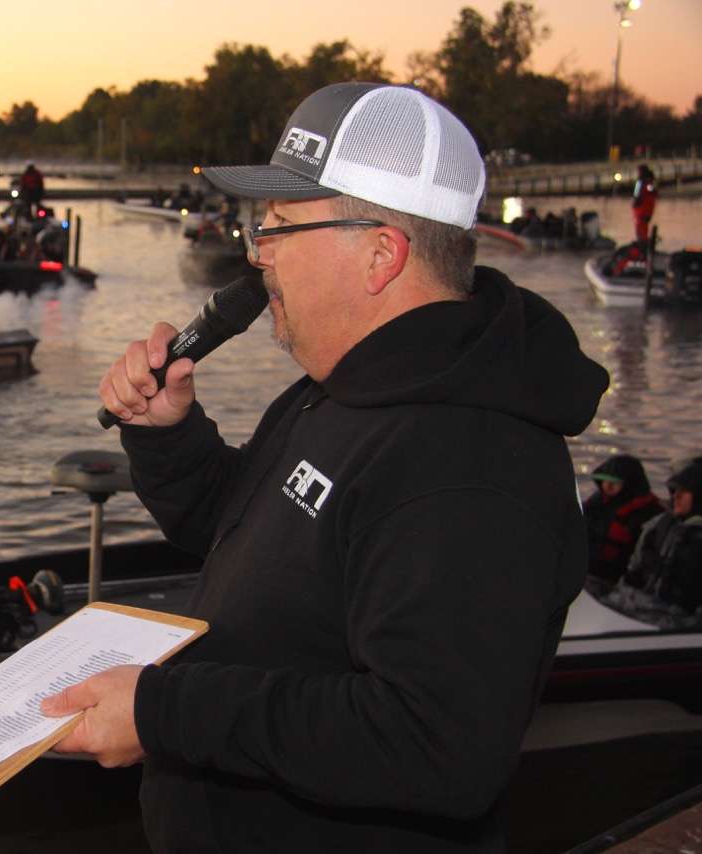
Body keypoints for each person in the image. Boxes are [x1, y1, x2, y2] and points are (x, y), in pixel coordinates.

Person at [40, 82, 609, 852]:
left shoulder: (471, 464)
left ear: (381, 253)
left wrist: (163, 712)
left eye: (277, 227)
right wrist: (168, 435)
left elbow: (435, 746)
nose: (255, 251)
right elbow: (242, 537)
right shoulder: (341, 388)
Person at [621, 457, 702, 612]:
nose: (675, 497)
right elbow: (634, 571)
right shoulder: (658, 525)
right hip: (645, 610)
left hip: (684, 624)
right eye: (674, 491)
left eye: (683, 492)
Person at [583, 454, 663, 586]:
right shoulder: (595, 504)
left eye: (614, 482)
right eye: (604, 480)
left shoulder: (649, 513)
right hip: (587, 571)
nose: (607, 486)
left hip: (616, 578)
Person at [632, 164, 658, 243]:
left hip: (642, 210)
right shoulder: (649, 183)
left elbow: (637, 195)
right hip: (646, 210)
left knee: (641, 228)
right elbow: (654, 193)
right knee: (643, 228)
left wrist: (635, 202)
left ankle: (642, 244)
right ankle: (643, 243)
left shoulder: (642, 183)